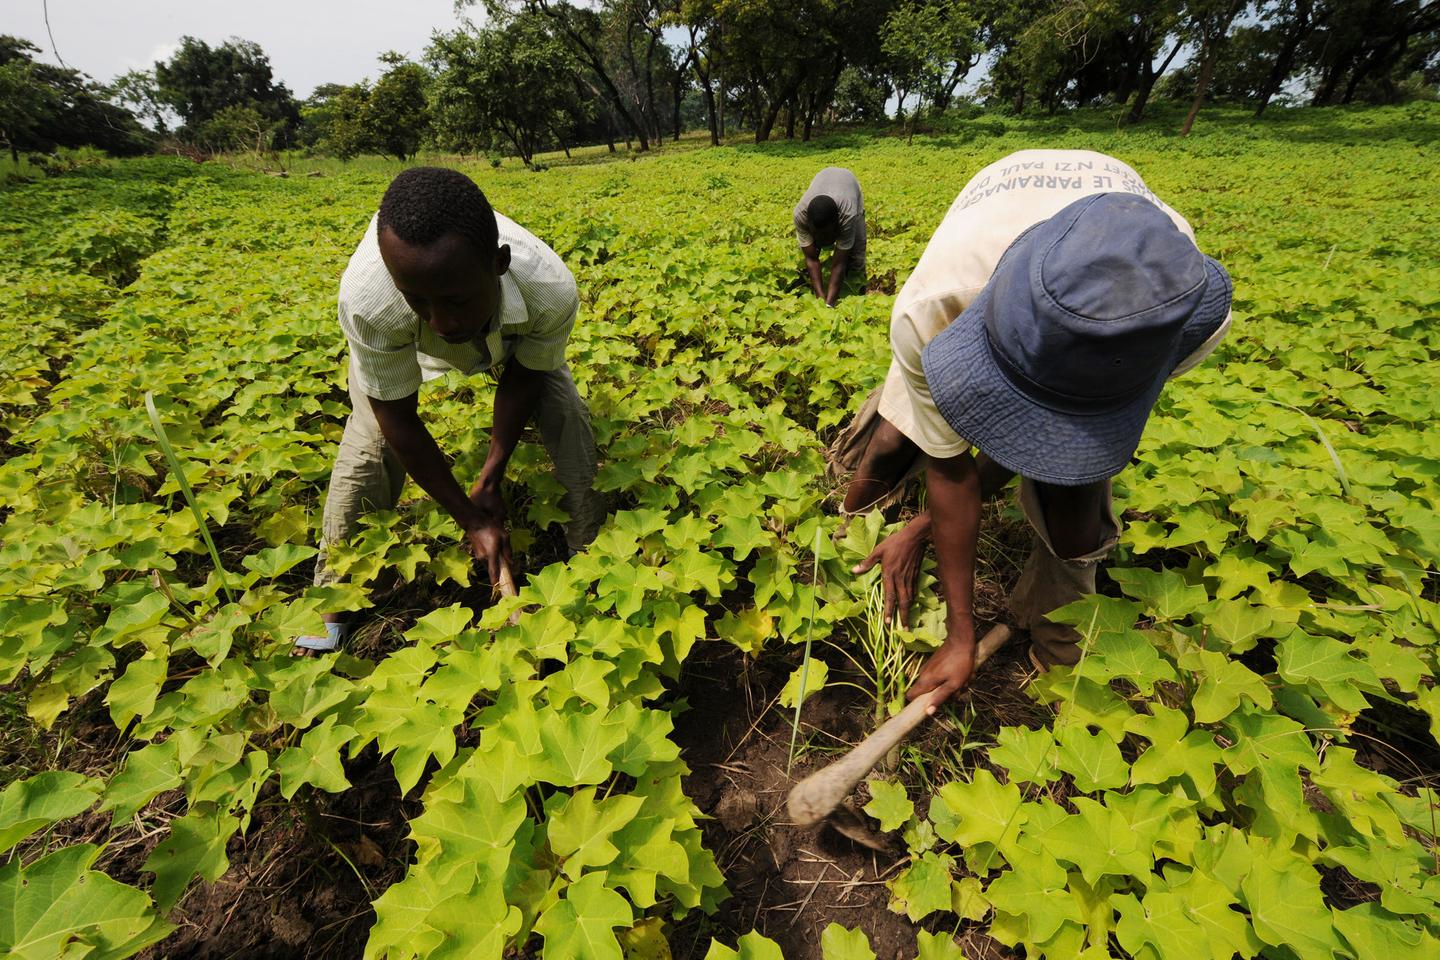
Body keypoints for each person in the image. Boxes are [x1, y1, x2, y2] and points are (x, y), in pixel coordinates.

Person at [833, 149, 1232, 707]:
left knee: (1074, 509)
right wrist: (959, 632)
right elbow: (950, 469)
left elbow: (1044, 443)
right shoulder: (936, 303)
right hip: (977, 273)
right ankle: (841, 534)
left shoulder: (1175, 306)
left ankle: (1056, 639)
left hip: (1113, 341)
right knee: (894, 438)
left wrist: (925, 528)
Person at [294, 167, 604, 655]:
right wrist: (470, 517)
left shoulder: (549, 289)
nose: (441, 322)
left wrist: (491, 476)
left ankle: (589, 548)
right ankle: (331, 596)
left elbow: (525, 376)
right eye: (419, 301)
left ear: (498, 263)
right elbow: (398, 418)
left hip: (509, 333)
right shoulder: (369, 299)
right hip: (396, 338)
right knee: (371, 440)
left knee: (565, 410)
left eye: (456, 300)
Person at [794, 167, 866, 306]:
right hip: (823, 177)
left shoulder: (847, 214)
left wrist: (829, 304)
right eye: (817, 234)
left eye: (828, 234)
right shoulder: (799, 215)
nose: (825, 240)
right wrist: (821, 300)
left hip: (848, 183)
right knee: (810, 251)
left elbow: (839, 263)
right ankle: (811, 289)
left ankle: (858, 295)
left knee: (856, 255)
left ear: (838, 224)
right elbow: (811, 258)